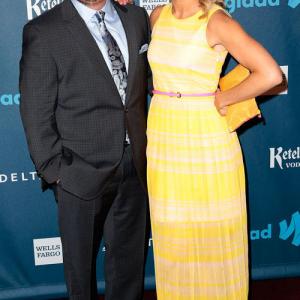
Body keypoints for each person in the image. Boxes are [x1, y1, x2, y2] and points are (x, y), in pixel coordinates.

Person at [117, 0, 282, 298]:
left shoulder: (216, 21)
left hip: (206, 141)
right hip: (164, 138)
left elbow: (270, 74)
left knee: (211, 239)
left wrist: (225, 97)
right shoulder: (157, 16)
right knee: (174, 238)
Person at [19, 0, 151, 299]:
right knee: (81, 277)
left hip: (135, 164)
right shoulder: (44, 30)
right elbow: (35, 111)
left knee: (129, 268)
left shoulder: (137, 18)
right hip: (78, 171)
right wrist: (56, 172)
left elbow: (148, 84)